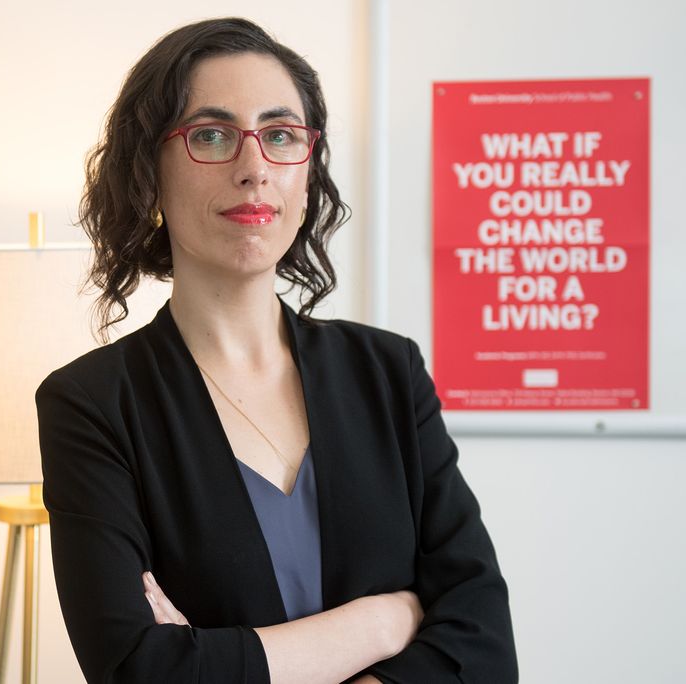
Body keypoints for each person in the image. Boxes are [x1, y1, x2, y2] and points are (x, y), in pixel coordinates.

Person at [36, 17, 518, 684]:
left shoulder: (389, 373)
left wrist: (221, 659)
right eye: (211, 135)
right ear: (149, 171)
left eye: (281, 135)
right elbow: (140, 673)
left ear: (307, 173)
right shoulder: (91, 405)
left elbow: (485, 646)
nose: (254, 168)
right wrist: (380, 623)